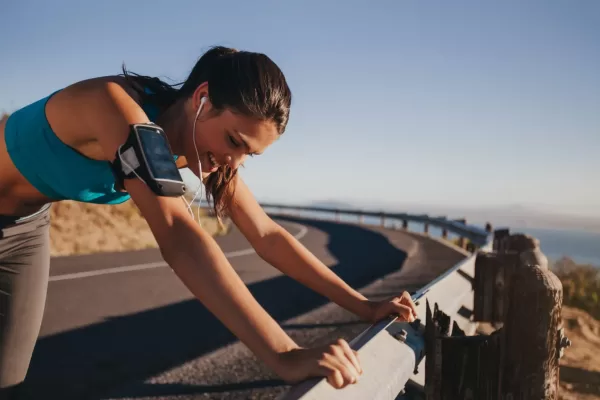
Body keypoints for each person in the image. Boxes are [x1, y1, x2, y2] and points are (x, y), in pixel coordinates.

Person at [0, 45, 418, 397]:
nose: (233, 162)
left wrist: (364, 306)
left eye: (248, 154)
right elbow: (180, 236)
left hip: (24, 230)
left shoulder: (200, 148)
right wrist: (284, 355)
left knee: (8, 381)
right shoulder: (113, 107)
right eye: (234, 141)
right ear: (202, 98)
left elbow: (268, 235)